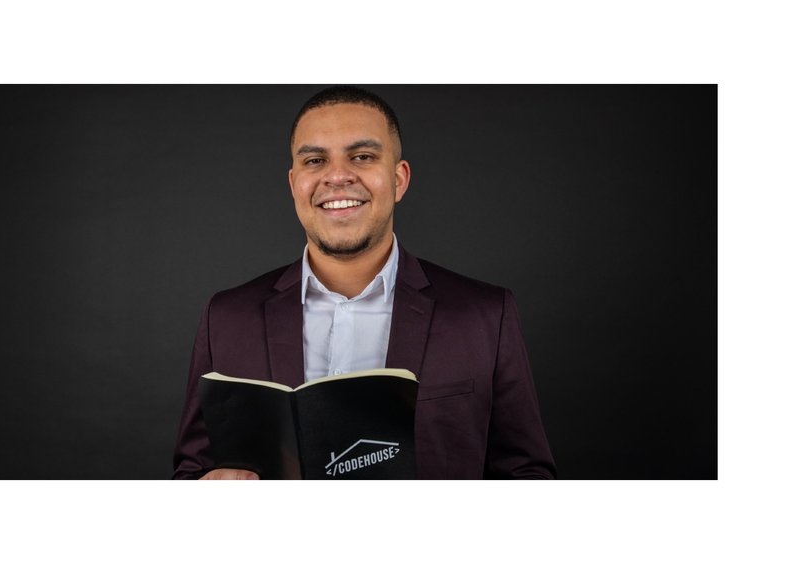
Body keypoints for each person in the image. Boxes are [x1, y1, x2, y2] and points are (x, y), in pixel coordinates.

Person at [172, 86, 556, 479]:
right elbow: (192, 469)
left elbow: (527, 475)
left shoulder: (486, 316)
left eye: (362, 156)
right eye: (315, 160)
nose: (337, 176)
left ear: (399, 179)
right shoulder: (227, 318)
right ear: (293, 184)